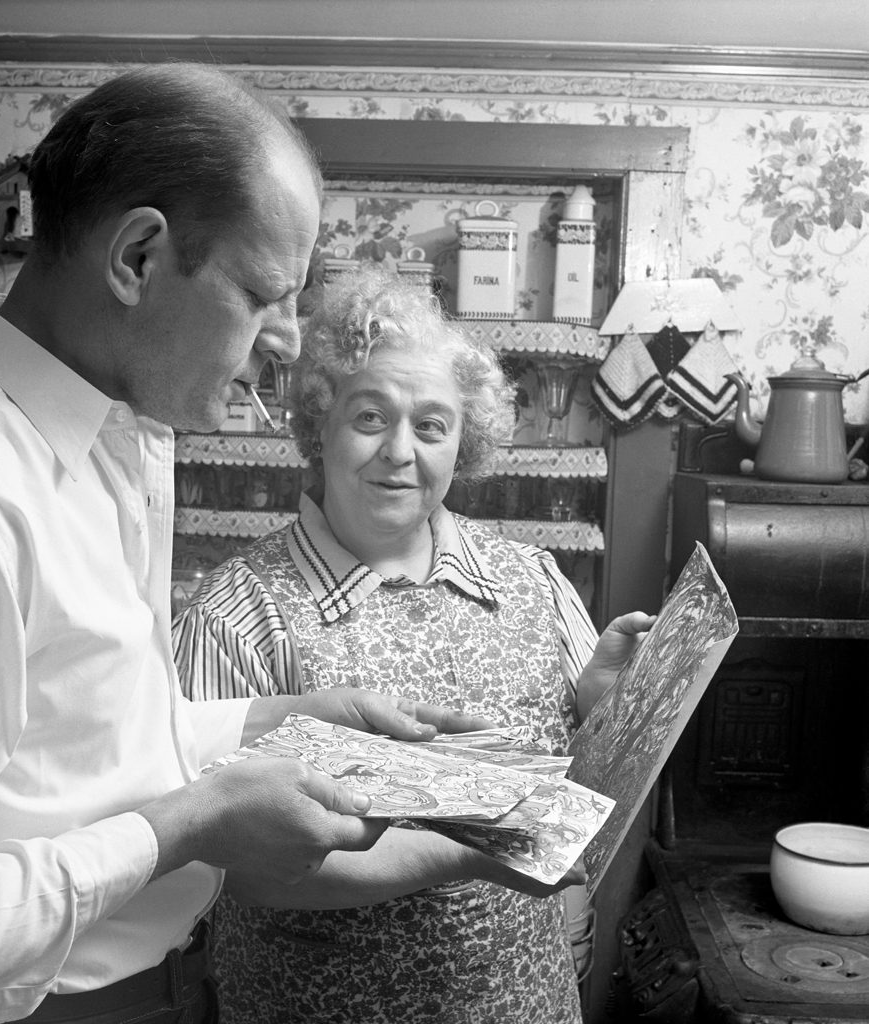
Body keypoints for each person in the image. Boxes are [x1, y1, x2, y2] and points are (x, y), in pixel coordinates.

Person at [0, 64, 499, 1024]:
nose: (293, 343)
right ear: (138, 257)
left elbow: (84, 743)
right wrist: (191, 827)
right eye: (266, 295)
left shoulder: (123, 434)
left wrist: (278, 718)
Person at [173, 264, 655, 1024]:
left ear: (462, 446)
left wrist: (595, 707)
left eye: (432, 426)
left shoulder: (532, 581)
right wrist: (485, 845)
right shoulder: (237, 612)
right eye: (371, 417)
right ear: (319, 424)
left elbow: (579, 799)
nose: (402, 451)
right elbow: (224, 859)